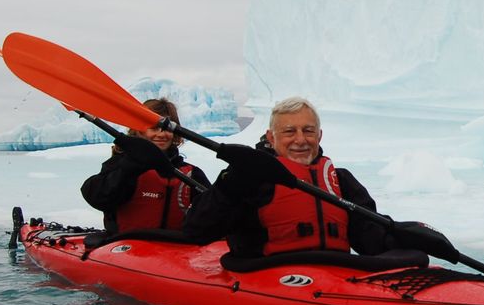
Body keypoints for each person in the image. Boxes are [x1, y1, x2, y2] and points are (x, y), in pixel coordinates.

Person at [183, 97, 398, 258]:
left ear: (319, 135)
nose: (300, 140)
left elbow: (373, 242)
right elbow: (197, 231)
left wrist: (403, 241)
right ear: (271, 137)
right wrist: (229, 184)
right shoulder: (251, 179)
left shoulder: (341, 181)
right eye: (289, 132)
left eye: (308, 131)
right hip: (269, 281)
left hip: (334, 278)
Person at [81, 98, 211, 234]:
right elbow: (98, 198)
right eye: (154, 127)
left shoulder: (191, 174)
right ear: (138, 130)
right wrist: (129, 168)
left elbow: (215, 212)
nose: (161, 134)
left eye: (168, 128)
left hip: (176, 247)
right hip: (127, 247)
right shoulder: (121, 165)